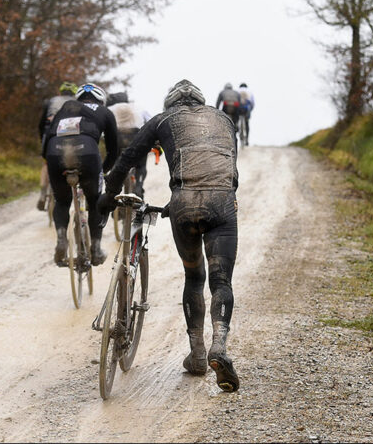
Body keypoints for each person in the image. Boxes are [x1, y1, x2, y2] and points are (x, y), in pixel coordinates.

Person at [97, 79, 240, 392]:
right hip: (223, 205)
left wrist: (108, 195)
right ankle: (219, 347)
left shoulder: (164, 119)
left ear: (169, 103)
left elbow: (128, 158)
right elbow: (232, 169)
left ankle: (198, 354)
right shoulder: (224, 119)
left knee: (194, 279)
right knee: (221, 283)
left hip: (184, 205)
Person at [42, 82, 118, 267]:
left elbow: (45, 142)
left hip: (54, 152)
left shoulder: (64, 109)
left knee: (61, 201)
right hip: (88, 153)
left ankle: (61, 238)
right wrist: (104, 170)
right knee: (94, 202)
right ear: (101, 99)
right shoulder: (104, 111)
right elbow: (113, 151)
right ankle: (96, 249)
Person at [36, 82, 77, 211]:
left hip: (50, 134)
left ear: (60, 92)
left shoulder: (51, 101)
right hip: (73, 134)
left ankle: (43, 194)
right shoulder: (77, 101)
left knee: (46, 164)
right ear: (74, 93)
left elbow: (41, 124)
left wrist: (42, 139)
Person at [106, 91, 152, 198]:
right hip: (136, 137)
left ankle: (112, 188)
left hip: (117, 138)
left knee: (114, 162)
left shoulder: (109, 109)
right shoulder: (139, 108)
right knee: (141, 165)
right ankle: (138, 187)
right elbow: (151, 122)